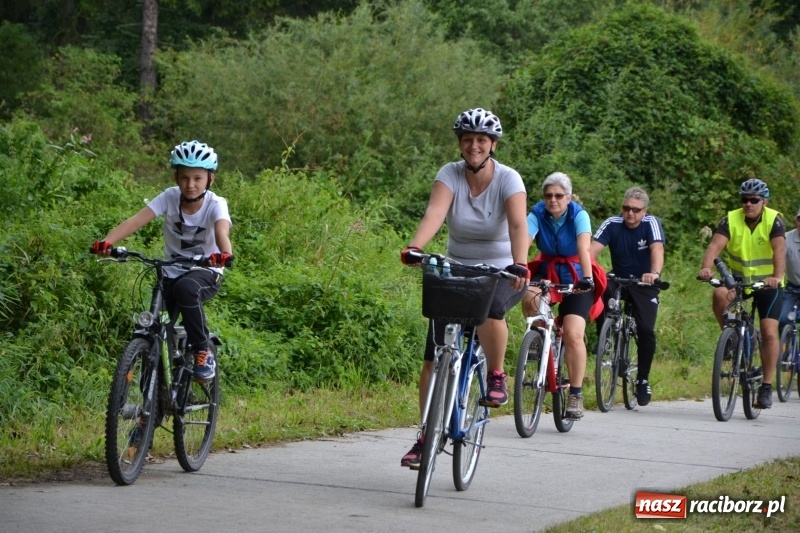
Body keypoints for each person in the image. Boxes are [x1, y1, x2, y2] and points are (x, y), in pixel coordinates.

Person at [399, 108, 529, 468]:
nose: (474, 146)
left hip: (502, 269)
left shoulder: (509, 179)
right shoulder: (449, 174)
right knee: (433, 354)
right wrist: (416, 247)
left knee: (490, 309)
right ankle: (424, 434)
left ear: (493, 145)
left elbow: (519, 225)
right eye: (468, 139)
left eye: (481, 140)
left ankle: (496, 374)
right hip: (457, 267)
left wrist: (520, 262)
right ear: (460, 143)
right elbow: (435, 213)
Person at [92, 140, 233, 381]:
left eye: (197, 178)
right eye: (184, 178)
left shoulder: (216, 204)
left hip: (205, 271)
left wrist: (224, 254)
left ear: (210, 179)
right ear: (176, 178)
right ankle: (148, 410)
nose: (190, 184)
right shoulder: (169, 197)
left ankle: (202, 350)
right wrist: (107, 242)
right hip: (171, 270)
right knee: (153, 330)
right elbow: (135, 221)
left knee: (186, 288)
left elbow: (222, 233)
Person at [524, 172, 605, 421]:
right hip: (547, 269)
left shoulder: (578, 214)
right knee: (528, 295)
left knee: (573, 333)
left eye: (559, 195)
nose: (553, 200)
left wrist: (587, 280)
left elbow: (583, 248)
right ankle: (538, 340)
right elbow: (524, 240)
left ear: (568, 197)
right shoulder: (537, 213)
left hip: (576, 273)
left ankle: (576, 394)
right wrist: (515, 265)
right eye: (548, 195)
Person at [698, 178, 785, 409]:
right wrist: (706, 267)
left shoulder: (774, 220)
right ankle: (731, 338)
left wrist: (776, 277)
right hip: (739, 280)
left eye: (754, 200)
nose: (748, 204)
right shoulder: (731, 218)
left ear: (764, 201)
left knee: (768, 331)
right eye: (744, 200)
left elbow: (779, 251)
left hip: (769, 284)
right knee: (719, 294)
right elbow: (714, 247)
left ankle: (766, 387)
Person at [590, 187, 665, 406]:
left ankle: (642, 379)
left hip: (645, 281)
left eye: (635, 209)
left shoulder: (651, 223)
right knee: (600, 287)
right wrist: (588, 271)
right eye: (626, 208)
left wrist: (655, 273)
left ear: (644, 211)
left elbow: (657, 249)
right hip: (620, 277)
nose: (630, 213)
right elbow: (591, 250)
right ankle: (605, 338)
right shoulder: (612, 223)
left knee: (645, 329)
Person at [779, 207, 800, 329]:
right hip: (792, 288)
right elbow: (778, 259)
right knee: (782, 319)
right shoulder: (786, 238)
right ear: (796, 221)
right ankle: (788, 347)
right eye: (799, 219)